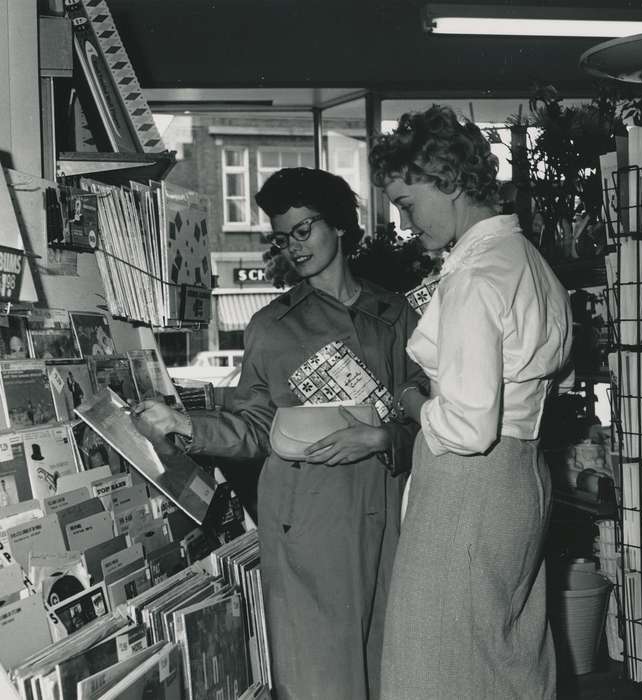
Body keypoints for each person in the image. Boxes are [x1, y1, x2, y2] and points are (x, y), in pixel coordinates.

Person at [132, 167, 426, 700]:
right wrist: (183, 425)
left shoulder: (396, 314)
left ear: (339, 225)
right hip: (308, 515)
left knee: (392, 664)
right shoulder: (273, 325)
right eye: (282, 236)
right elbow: (253, 429)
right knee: (320, 674)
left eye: (304, 229)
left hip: (389, 510)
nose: (294, 246)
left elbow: (428, 416)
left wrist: (385, 439)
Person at [369, 105, 573, 699]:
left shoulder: (474, 276)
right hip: (523, 479)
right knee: (506, 659)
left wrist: (409, 397)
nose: (406, 222)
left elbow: (466, 426)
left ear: (450, 181)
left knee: (433, 667)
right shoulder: (528, 260)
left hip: (468, 487)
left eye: (408, 203)